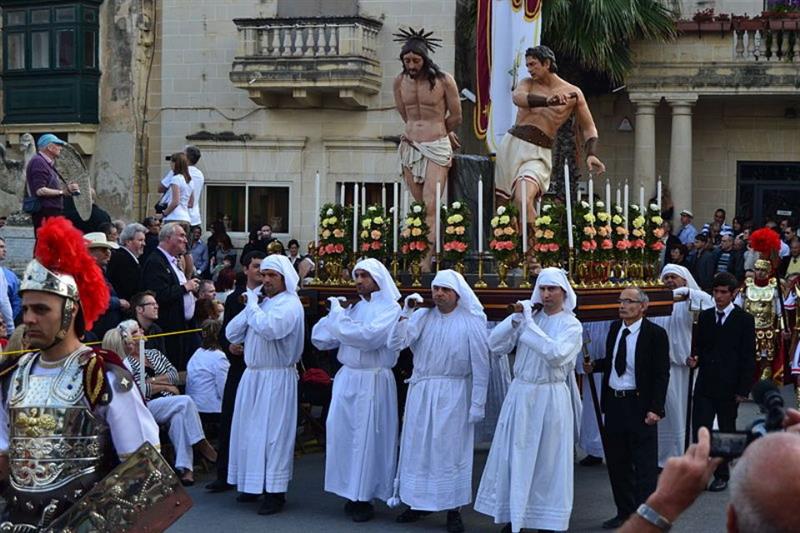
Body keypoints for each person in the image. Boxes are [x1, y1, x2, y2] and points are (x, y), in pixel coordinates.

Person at [0, 216, 159, 527]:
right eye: (26, 308)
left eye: (41, 309)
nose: (28, 318)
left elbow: (144, 471)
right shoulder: (11, 377)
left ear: (71, 311)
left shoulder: (102, 375)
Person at [475, 267, 583, 533]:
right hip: (522, 394)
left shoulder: (571, 324)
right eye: (542, 289)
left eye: (552, 289)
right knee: (516, 457)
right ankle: (515, 516)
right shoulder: (528, 318)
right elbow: (495, 345)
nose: (546, 294)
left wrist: (529, 325)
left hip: (550, 397)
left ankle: (547, 520)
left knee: (548, 461)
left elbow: (556, 354)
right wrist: (514, 321)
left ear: (563, 292)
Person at [386, 270, 489, 532]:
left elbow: (481, 365)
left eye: (445, 289)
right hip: (422, 391)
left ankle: (453, 508)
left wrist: (477, 403)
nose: (439, 294)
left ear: (457, 294)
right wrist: (406, 312)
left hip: (454, 394)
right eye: (435, 289)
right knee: (417, 447)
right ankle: (417, 502)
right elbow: (396, 343)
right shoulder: (422, 316)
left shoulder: (471, 321)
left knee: (449, 451)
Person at [311, 258, 402, 522]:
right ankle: (351, 491)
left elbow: (368, 338)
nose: (359, 280)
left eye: (364, 275)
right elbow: (320, 338)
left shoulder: (390, 309)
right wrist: (337, 316)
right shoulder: (354, 308)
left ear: (378, 279)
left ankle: (366, 496)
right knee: (345, 436)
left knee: (369, 439)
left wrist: (340, 320)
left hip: (373, 380)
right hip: (348, 378)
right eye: (356, 275)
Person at [495, 45, 605, 241]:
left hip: (538, 153)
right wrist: (548, 101)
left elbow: (589, 127)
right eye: (527, 65)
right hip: (512, 146)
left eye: (533, 64)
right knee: (503, 207)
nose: (529, 69)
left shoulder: (573, 93)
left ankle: (535, 252)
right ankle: (509, 255)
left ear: (547, 64)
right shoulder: (527, 83)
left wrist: (591, 153)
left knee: (522, 198)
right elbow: (517, 98)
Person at [583, 286, 669, 529]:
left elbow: (661, 374)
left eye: (629, 301)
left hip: (640, 404)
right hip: (615, 403)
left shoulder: (655, 334)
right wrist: (596, 366)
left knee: (644, 466)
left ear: (643, 306)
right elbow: (614, 361)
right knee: (618, 462)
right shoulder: (614, 329)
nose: (622, 306)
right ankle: (624, 511)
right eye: (620, 301)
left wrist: (656, 408)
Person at [226, 254, 304, 515]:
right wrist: (252, 304)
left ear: (284, 278)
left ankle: (275, 491)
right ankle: (252, 484)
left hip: (276, 377)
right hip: (254, 376)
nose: (266, 280)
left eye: (272, 276)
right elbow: (232, 333)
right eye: (264, 274)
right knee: (249, 432)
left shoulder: (290, 305)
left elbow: (271, 329)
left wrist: (253, 307)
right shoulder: (262, 303)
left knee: (273, 435)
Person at [105, 320, 217, 486]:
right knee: (185, 401)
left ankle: (186, 469)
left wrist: (155, 381)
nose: (142, 332)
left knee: (180, 415)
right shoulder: (126, 363)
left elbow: (175, 375)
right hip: (148, 405)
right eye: (136, 332)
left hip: (168, 402)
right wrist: (166, 387)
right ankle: (201, 443)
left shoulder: (154, 354)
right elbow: (141, 391)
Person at [393, 27, 461, 269]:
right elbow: (404, 113)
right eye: (407, 60)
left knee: (431, 204)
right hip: (411, 145)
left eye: (415, 60)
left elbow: (456, 115)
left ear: (425, 59)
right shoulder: (399, 82)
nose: (411, 64)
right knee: (420, 204)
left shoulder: (444, 80)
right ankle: (418, 253)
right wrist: (414, 133)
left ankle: (425, 262)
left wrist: (443, 130)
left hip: (436, 145)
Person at [688, 271, 755, 492]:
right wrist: (695, 358)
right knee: (700, 428)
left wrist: (743, 388)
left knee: (726, 430)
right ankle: (700, 473)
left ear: (733, 293)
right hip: (706, 383)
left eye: (723, 292)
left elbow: (748, 356)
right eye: (715, 292)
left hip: (729, 385)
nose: (718, 296)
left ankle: (722, 474)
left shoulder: (744, 320)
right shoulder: (706, 317)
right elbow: (700, 346)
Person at [205, 250, 265, 493]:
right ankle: (225, 473)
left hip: (260, 367)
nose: (261, 271)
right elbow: (224, 331)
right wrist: (230, 346)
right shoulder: (234, 299)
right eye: (257, 266)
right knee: (230, 417)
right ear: (246, 269)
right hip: (239, 368)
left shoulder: (269, 298)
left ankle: (254, 477)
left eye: (265, 267)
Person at [652, 265, 713, 467]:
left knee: (686, 413)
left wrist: (687, 293)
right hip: (663, 367)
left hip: (686, 367)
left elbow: (708, 304)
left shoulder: (692, 299)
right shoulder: (658, 303)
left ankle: (688, 453)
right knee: (667, 415)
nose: (669, 281)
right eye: (666, 277)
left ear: (684, 280)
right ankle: (666, 457)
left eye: (673, 277)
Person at [141, 222, 199, 370]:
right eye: (181, 235)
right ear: (168, 238)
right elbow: (159, 294)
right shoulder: (156, 261)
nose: (186, 240)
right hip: (170, 329)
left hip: (183, 328)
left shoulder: (174, 261)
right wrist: (185, 287)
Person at [25, 134, 81, 232]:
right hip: (45, 212)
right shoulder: (38, 162)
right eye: (58, 144)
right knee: (46, 243)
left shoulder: (45, 163)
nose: (61, 148)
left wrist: (67, 189)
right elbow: (40, 190)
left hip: (50, 211)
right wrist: (62, 192)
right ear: (50, 147)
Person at [85, 231, 128, 340]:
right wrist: (119, 302)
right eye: (103, 250)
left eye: (108, 250)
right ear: (90, 252)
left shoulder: (98, 272)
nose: (108, 253)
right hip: (96, 333)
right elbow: (94, 299)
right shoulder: (85, 273)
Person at [187, 319, 229, 417]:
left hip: (195, 407)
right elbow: (224, 390)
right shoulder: (220, 357)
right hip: (212, 409)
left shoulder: (197, 353)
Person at [108, 222, 147, 301]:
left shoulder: (126, 257)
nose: (144, 244)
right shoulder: (123, 260)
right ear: (128, 242)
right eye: (140, 240)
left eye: (144, 240)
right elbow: (129, 290)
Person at [162, 152, 194, 229]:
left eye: (171, 162)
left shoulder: (176, 179)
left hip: (173, 217)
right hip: (186, 218)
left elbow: (175, 202)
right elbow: (191, 203)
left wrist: (163, 214)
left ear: (175, 163)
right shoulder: (190, 181)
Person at [0, 237, 21, 325]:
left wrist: (8, 322)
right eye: (1, 247)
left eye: (4, 247)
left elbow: (17, 301)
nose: (5, 250)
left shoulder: (10, 276)